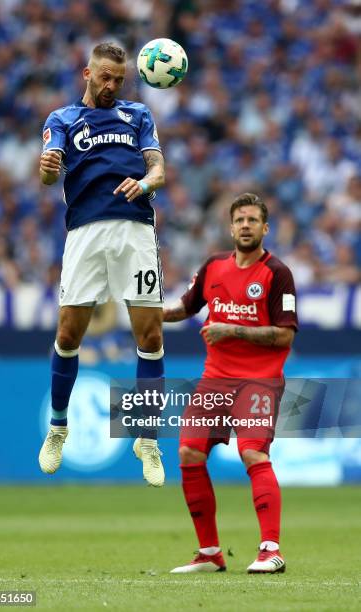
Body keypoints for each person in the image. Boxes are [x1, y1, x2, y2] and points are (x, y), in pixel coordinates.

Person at [38, 42, 166, 487]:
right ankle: (58, 428)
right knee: (68, 334)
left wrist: (146, 183)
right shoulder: (62, 120)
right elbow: (49, 175)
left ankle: (146, 438)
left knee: (150, 336)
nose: (112, 85)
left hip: (135, 230)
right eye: (105, 77)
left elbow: (159, 171)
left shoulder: (138, 116)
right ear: (87, 74)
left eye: (119, 78)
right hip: (85, 234)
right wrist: (49, 167)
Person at [163, 193, 298, 573]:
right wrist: (149, 315)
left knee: (253, 453)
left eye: (253, 220)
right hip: (214, 381)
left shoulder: (278, 274)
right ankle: (209, 553)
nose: (245, 226)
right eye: (239, 220)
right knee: (189, 453)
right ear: (230, 226)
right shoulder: (213, 267)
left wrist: (232, 329)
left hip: (259, 381)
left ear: (265, 228)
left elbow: (285, 336)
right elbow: (185, 308)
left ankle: (271, 550)